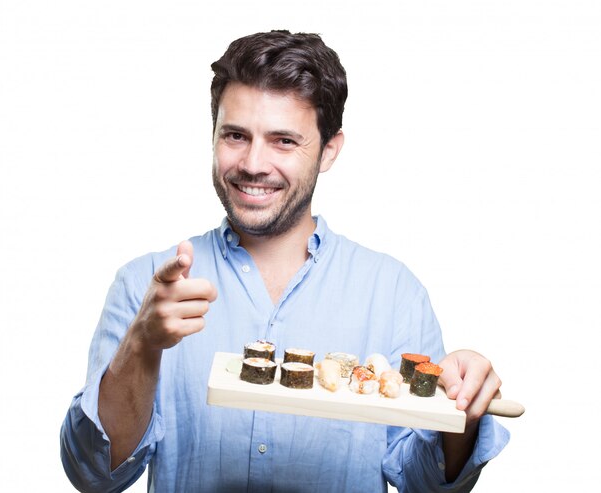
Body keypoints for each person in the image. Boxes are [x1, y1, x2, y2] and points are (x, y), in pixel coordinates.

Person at [60, 30, 509, 493]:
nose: (254, 163)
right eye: (235, 135)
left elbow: (427, 484)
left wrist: (464, 412)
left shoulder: (394, 293)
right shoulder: (144, 286)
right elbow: (94, 476)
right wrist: (141, 345)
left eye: (283, 141)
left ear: (329, 150)